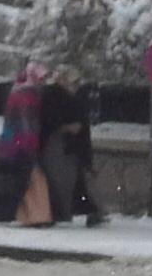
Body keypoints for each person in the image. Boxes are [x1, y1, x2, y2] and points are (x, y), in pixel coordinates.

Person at [0, 61, 50, 224]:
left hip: (11, 141)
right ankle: (36, 216)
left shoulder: (17, 89)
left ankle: (24, 215)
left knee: (16, 179)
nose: (44, 82)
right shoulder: (29, 93)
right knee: (31, 179)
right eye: (42, 78)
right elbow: (27, 121)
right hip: (23, 143)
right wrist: (30, 144)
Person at [38, 66, 107, 227]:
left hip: (73, 146)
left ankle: (90, 211)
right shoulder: (53, 96)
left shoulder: (70, 96)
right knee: (64, 181)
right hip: (61, 145)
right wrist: (67, 127)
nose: (76, 85)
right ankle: (59, 212)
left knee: (77, 180)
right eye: (74, 81)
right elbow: (49, 120)